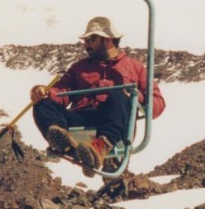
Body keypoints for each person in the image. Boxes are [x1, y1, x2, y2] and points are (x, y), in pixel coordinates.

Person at [31, 16, 165, 173]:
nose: (86, 45)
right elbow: (62, 92)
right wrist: (44, 93)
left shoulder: (135, 68)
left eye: (91, 40)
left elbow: (158, 103)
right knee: (42, 104)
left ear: (107, 40)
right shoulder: (79, 68)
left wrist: (135, 97)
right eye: (85, 41)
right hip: (82, 116)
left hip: (114, 120)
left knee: (118, 95)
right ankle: (66, 142)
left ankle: (102, 145)